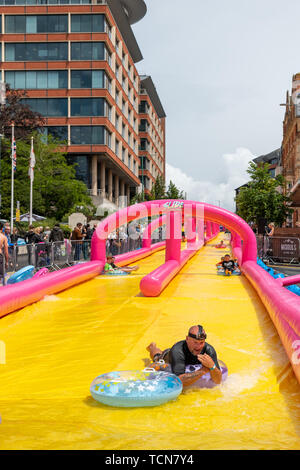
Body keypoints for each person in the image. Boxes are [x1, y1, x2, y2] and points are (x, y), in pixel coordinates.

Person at [147, 325, 222, 387]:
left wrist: (212, 367)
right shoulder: (178, 350)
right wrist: (203, 370)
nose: (198, 346)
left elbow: (218, 381)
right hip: (168, 356)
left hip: (182, 359)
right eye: (195, 342)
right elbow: (179, 381)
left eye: (201, 342)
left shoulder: (209, 350)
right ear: (187, 339)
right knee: (157, 357)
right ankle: (152, 347)